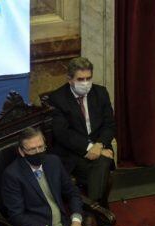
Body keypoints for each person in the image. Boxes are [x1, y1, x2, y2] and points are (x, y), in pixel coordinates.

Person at [46, 57, 115, 205]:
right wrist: (90, 148)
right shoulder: (57, 99)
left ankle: (92, 208)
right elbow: (62, 133)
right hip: (72, 152)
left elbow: (109, 125)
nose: (85, 83)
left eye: (88, 78)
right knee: (101, 164)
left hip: (100, 147)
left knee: (101, 163)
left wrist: (99, 145)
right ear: (70, 79)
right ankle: (99, 208)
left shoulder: (100, 93)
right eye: (80, 79)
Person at [0, 127, 85, 226]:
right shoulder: (12, 175)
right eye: (32, 149)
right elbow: (17, 215)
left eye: (41, 147)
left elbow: (72, 192)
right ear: (22, 151)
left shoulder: (53, 162)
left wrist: (76, 220)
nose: (38, 152)